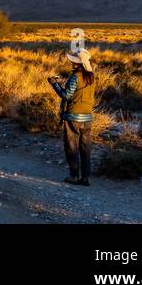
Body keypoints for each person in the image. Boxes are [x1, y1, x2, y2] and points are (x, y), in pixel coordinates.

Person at [49, 48, 96, 186]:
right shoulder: (91, 76)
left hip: (73, 116)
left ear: (79, 63)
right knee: (85, 147)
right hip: (87, 117)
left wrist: (54, 84)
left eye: (74, 62)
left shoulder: (75, 77)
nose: (72, 63)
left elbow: (66, 95)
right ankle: (86, 177)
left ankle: (74, 176)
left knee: (71, 146)